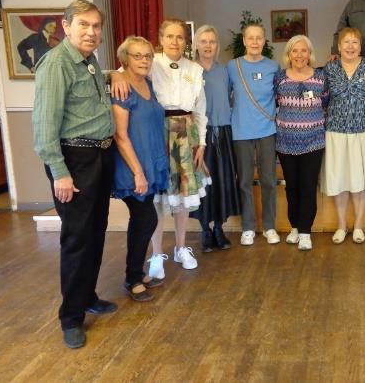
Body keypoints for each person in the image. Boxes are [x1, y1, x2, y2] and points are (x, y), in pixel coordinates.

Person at [33, 0, 116, 349]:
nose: (92, 32)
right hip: (74, 161)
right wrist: (60, 174)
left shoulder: (91, 61)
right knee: (77, 239)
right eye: (84, 24)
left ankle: (88, 296)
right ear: (66, 27)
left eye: (96, 26)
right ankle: (70, 318)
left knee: (96, 233)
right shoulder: (56, 64)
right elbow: (44, 127)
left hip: (99, 156)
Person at [113, 19, 210, 278]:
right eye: (170, 36)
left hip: (186, 132)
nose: (175, 42)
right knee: (157, 195)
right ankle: (157, 253)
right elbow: (121, 73)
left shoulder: (195, 69)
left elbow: (201, 109)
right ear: (161, 38)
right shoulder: (149, 62)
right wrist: (114, 74)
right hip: (158, 131)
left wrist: (201, 141)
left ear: (186, 41)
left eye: (180, 37)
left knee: (182, 196)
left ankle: (180, 247)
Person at [111, 36, 168, 301]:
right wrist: (138, 172)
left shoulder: (147, 83)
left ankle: (136, 272)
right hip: (133, 167)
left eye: (148, 55)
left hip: (150, 161)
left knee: (143, 219)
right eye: (138, 55)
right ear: (125, 59)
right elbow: (120, 136)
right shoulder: (121, 88)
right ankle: (132, 278)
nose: (144, 60)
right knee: (146, 218)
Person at [322, 27, 365, 244]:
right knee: (339, 179)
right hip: (335, 131)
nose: (351, 47)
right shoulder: (330, 68)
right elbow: (322, 98)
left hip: (362, 132)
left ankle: (359, 226)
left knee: (359, 181)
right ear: (339, 46)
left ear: (360, 46)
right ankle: (342, 225)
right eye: (347, 42)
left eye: (355, 42)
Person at [189, 25, 241, 252]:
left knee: (223, 181)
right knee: (203, 183)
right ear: (196, 45)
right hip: (201, 135)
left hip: (225, 133)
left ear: (216, 46)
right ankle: (205, 229)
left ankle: (219, 227)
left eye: (212, 41)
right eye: (203, 41)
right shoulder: (189, 71)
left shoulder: (224, 71)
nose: (208, 45)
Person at [227, 23, 280, 246]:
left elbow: (280, 96)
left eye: (259, 38)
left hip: (267, 130)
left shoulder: (274, 66)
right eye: (251, 38)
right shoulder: (232, 66)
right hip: (241, 131)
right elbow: (225, 95)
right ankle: (248, 227)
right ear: (245, 41)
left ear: (264, 40)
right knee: (245, 181)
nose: (255, 42)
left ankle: (269, 226)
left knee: (269, 180)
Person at [274, 35, 328, 251]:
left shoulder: (321, 78)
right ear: (289, 54)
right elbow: (274, 102)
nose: (299, 55)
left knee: (308, 186)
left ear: (310, 54)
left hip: (313, 142)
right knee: (292, 187)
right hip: (285, 143)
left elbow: (325, 102)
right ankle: (295, 227)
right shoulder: (279, 78)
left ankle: (306, 231)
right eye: (295, 51)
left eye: (303, 51)